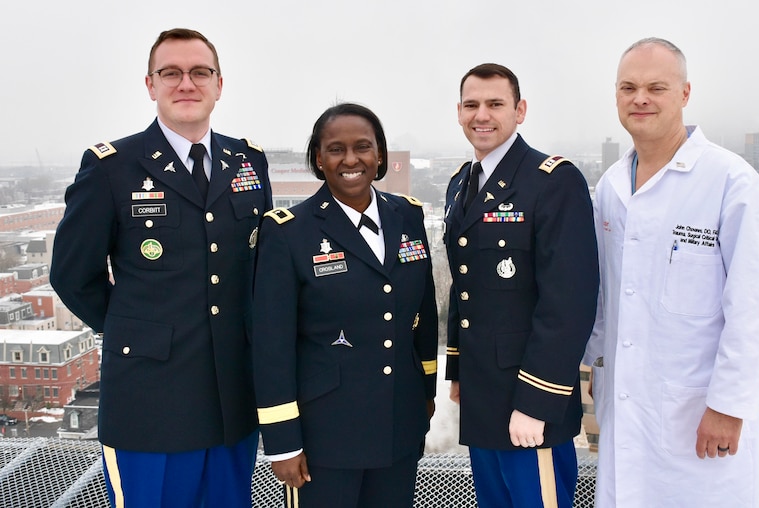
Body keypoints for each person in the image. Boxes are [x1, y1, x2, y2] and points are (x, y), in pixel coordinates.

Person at [50, 28, 271, 508]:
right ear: (150, 85)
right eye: (171, 73)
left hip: (233, 402)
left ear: (219, 83)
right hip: (150, 405)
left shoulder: (247, 161)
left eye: (199, 72)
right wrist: (136, 331)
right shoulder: (112, 167)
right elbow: (71, 275)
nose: (186, 83)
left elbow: (260, 270)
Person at [583, 37, 759, 507]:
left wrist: (728, 406)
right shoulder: (610, 186)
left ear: (685, 94)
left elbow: (754, 307)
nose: (641, 99)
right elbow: (606, 293)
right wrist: (595, 360)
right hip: (627, 407)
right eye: (628, 87)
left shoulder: (731, 183)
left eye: (656, 87)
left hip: (701, 414)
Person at [252, 103, 438, 508]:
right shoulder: (289, 231)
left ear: (380, 155)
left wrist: (426, 392)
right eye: (336, 149)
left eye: (363, 147)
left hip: (400, 426)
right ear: (319, 159)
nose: (351, 159)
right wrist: (282, 441)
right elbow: (271, 344)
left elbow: (424, 316)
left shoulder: (407, 216)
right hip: (325, 439)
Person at [443, 63, 599, 508]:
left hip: (529, 399)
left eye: (495, 104)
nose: (482, 115)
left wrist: (537, 401)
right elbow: (464, 282)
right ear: (459, 112)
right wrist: (457, 369)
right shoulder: (461, 184)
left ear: (520, 110)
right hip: (483, 393)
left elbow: (568, 303)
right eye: (471, 105)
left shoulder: (552, 181)